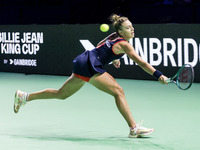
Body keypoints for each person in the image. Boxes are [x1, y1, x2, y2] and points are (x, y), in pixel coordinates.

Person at [14, 14, 168, 138]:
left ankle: (24, 97)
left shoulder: (114, 36)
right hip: (90, 64)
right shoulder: (125, 45)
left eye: (132, 26)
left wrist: (113, 58)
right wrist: (158, 75)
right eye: (128, 28)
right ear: (121, 32)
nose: (132, 29)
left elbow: (100, 44)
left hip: (84, 59)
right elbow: (141, 62)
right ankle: (134, 128)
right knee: (118, 91)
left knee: (62, 94)